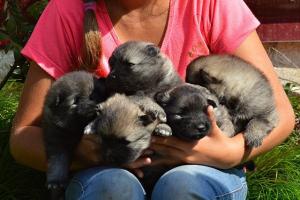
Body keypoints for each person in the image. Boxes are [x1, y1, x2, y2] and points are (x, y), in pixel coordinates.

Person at [10, 0, 295, 199]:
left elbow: (280, 114)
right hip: (103, 171)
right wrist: (93, 152)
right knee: (112, 186)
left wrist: (230, 153)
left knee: (182, 186)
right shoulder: (67, 11)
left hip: (204, 170)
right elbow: (23, 139)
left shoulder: (212, 4)